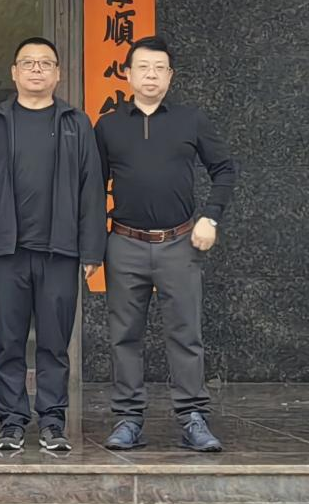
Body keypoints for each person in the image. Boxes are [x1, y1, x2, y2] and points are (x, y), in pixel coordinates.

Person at [95, 36, 237, 453]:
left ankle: (193, 417)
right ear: (127, 74)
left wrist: (210, 216)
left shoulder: (190, 120)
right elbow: (91, 187)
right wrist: (92, 246)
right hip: (124, 242)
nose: (151, 75)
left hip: (179, 241)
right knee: (124, 334)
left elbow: (224, 169)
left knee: (185, 332)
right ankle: (128, 418)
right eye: (143, 67)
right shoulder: (108, 126)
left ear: (170, 76)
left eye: (160, 68)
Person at [0, 37, 106, 452]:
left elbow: (92, 187)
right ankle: (12, 422)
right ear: (13, 72)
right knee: (8, 341)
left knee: (54, 343)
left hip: (60, 251)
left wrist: (92, 250)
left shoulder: (76, 123)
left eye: (45, 63)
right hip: (6, 250)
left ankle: (52, 421)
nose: (36, 69)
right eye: (28, 63)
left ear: (58, 73)